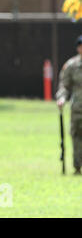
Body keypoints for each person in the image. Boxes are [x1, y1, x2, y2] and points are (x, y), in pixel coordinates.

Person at [56, 35, 82, 175]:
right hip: (77, 108)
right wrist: (61, 98)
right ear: (78, 48)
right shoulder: (71, 66)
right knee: (76, 136)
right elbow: (64, 86)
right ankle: (77, 167)